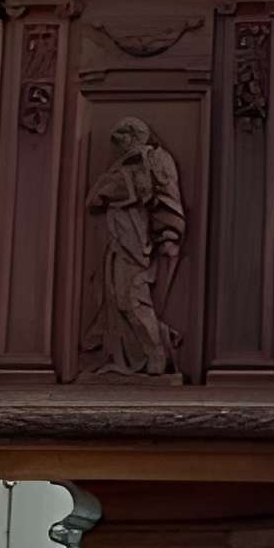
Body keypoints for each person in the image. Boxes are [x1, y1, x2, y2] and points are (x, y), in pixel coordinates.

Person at [81, 118, 186, 376]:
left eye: (122, 140)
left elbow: (164, 200)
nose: (118, 147)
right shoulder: (126, 166)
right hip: (119, 242)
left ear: (133, 138)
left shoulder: (150, 162)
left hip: (135, 243)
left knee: (133, 301)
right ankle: (138, 354)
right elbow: (94, 200)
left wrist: (168, 233)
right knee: (117, 299)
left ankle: (156, 355)